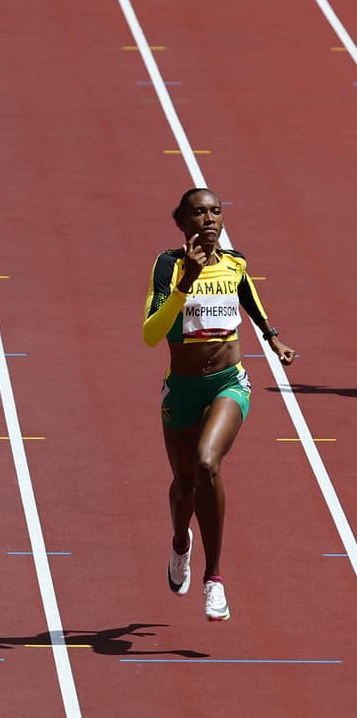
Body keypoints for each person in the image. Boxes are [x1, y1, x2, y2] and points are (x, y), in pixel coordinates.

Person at [143, 188, 295, 621]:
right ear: (183, 222)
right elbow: (151, 334)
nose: (209, 219)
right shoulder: (168, 266)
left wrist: (272, 336)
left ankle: (214, 579)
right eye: (199, 212)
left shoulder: (235, 262)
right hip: (182, 392)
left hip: (229, 384)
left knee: (208, 463)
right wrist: (184, 285)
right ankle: (179, 543)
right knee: (185, 485)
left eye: (216, 211)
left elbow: (249, 297)